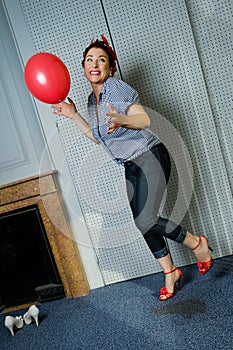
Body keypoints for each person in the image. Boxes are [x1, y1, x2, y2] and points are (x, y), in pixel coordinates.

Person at [51, 35, 213, 301]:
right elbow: (98, 137)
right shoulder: (93, 101)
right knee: (143, 224)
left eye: (101, 60)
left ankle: (197, 244)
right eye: (89, 60)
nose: (95, 64)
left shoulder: (115, 88)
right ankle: (170, 271)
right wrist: (73, 115)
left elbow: (144, 119)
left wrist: (124, 120)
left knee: (146, 219)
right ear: (83, 68)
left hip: (150, 156)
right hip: (131, 165)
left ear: (110, 68)